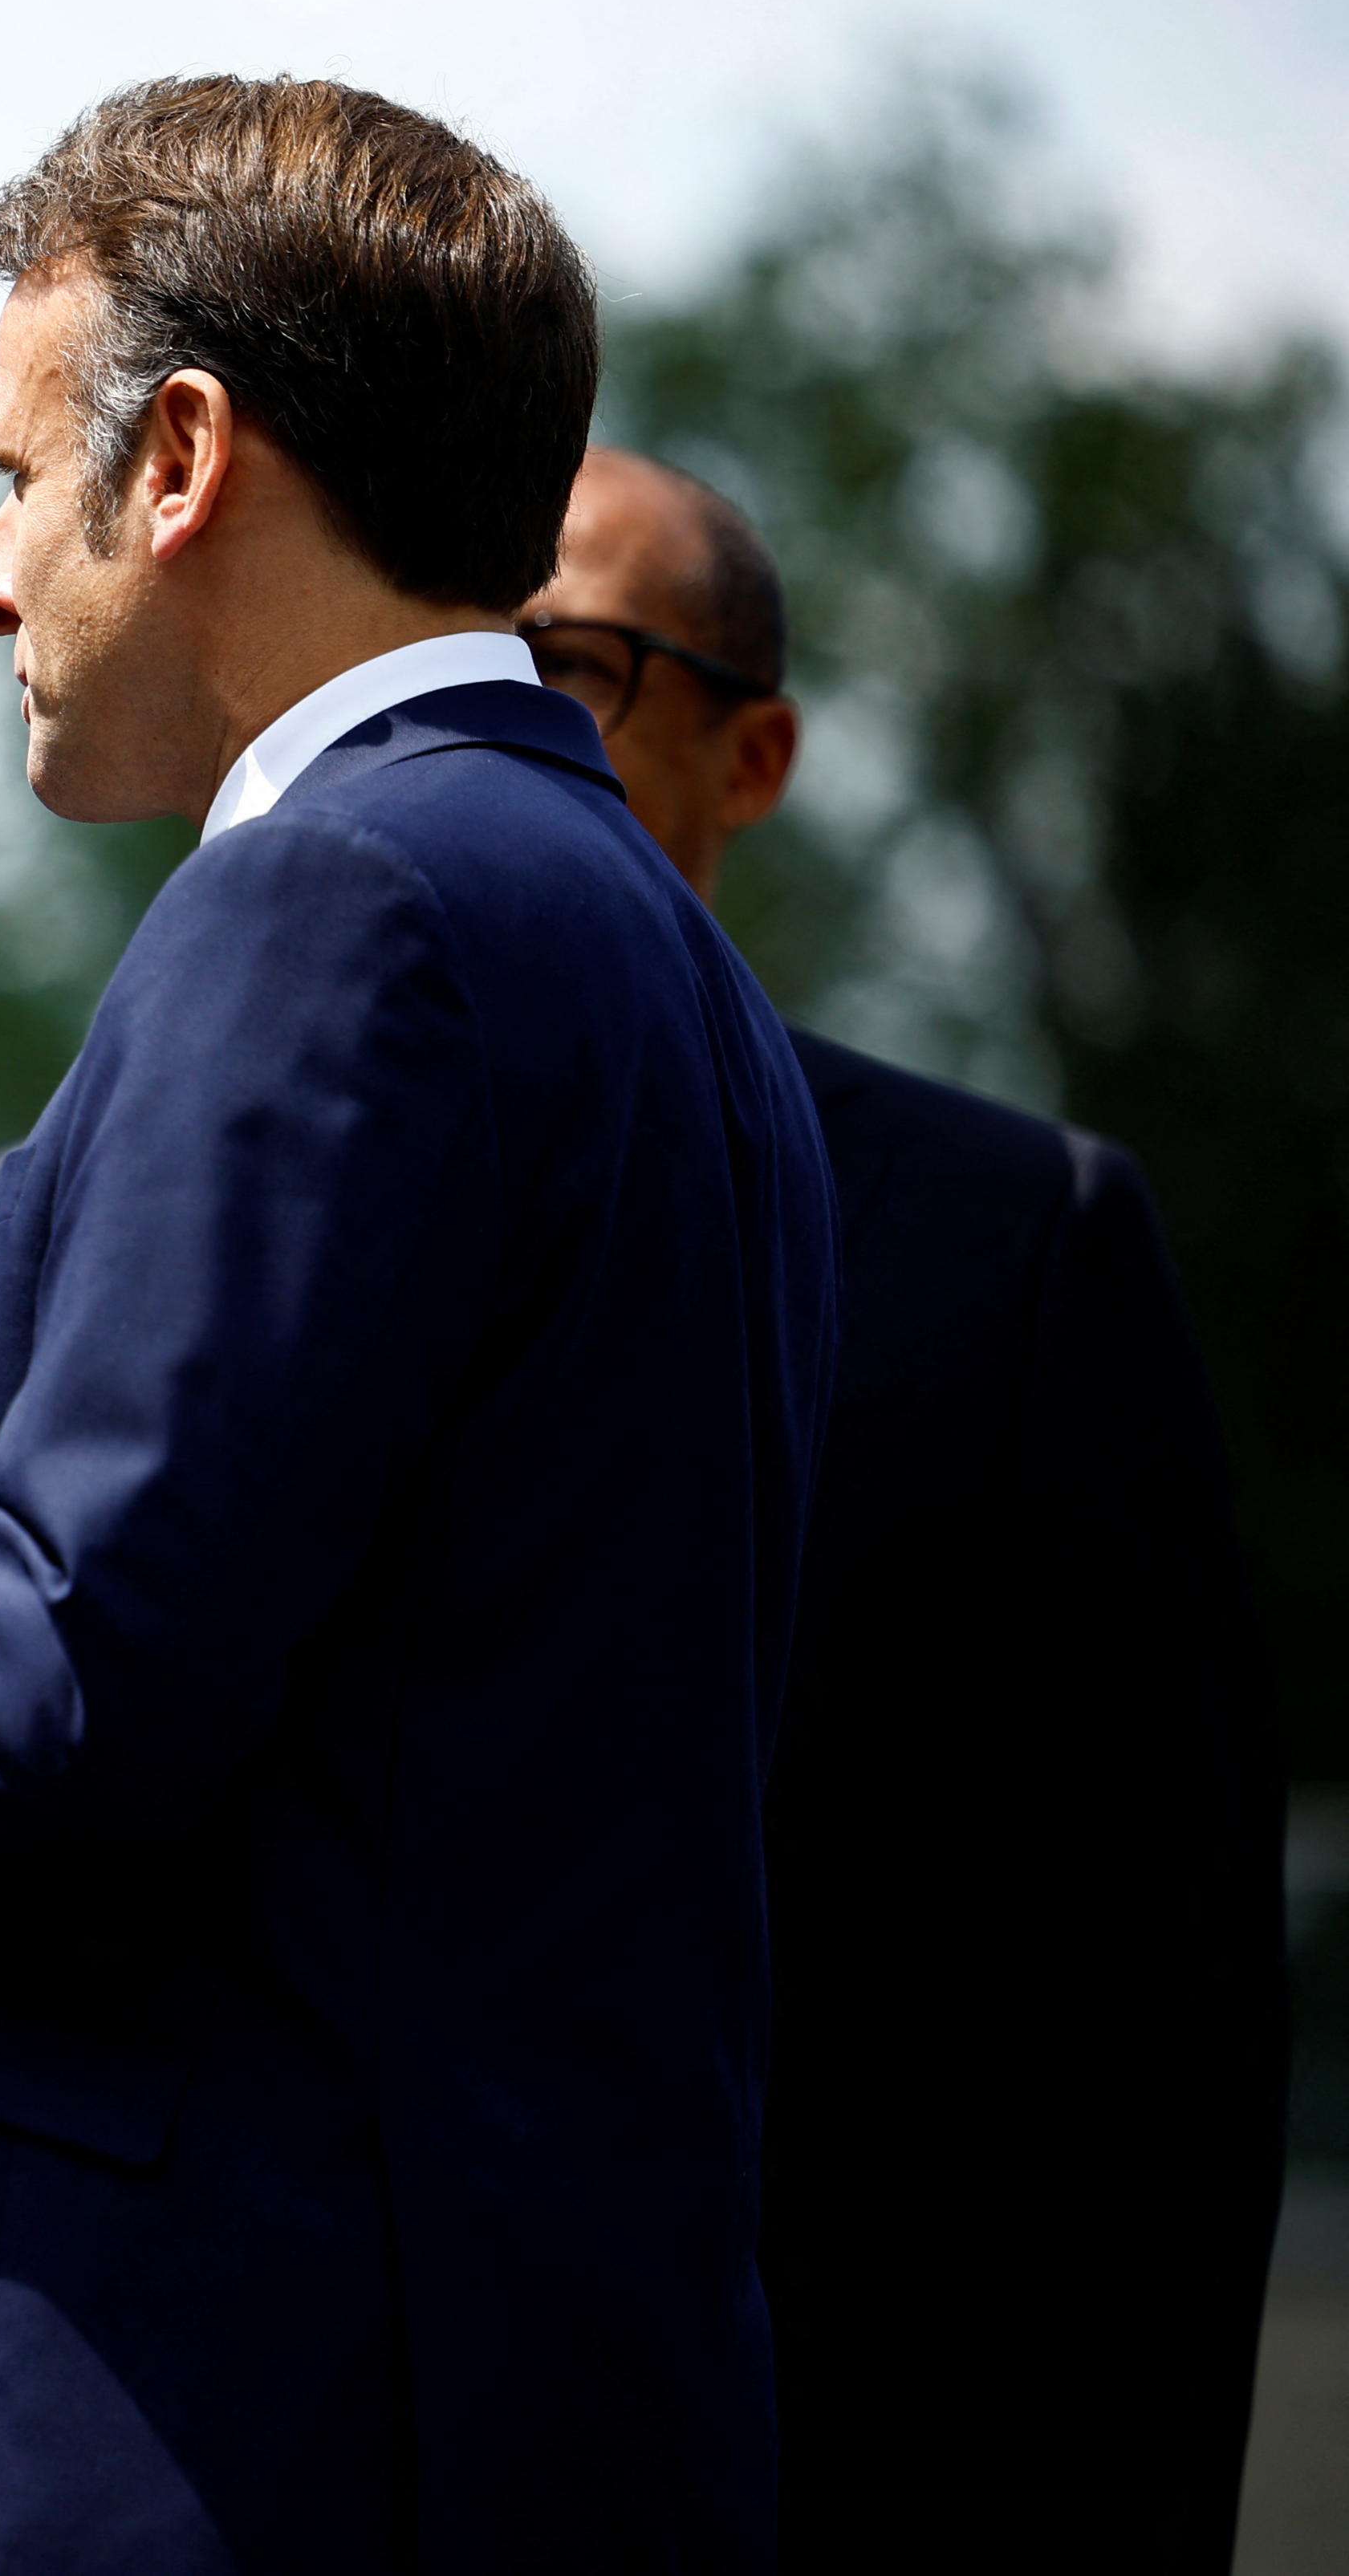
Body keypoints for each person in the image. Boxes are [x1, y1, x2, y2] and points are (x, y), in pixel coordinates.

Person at [0, 76, 839, 2570]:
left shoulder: (337, 904)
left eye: (15, 476)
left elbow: (77, 1661)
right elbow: (392, 1770)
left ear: (181, 457)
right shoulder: (661, 960)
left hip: (243, 2432)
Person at [526, 447, 1286, 2570]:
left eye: (568, 663)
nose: (490, 720)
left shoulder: (1014, 1237)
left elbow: (1172, 2021)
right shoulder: (171, 1209)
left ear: (751, 753)